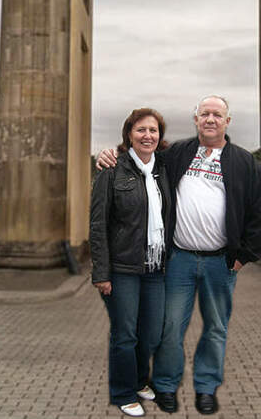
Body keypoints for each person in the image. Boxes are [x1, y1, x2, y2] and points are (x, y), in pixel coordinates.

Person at [99, 95, 261, 416]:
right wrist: (111, 153)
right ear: (196, 119)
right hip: (179, 259)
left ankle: (205, 387)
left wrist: (244, 255)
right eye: (205, 113)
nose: (211, 119)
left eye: (217, 114)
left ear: (227, 122)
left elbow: (257, 212)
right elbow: (140, 157)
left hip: (221, 261)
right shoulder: (177, 153)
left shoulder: (245, 162)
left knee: (216, 327)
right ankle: (164, 385)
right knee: (170, 326)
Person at [91, 107, 176, 418]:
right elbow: (98, 225)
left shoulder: (163, 170)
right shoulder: (111, 170)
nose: (147, 135)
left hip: (155, 268)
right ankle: (123, 393)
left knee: (151, 333)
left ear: (159, 136)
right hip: (122, 268)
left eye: (153, 130)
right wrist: (101, 273)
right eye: (141, 130)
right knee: (125, 334)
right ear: (129, 134)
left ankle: (140, 380)